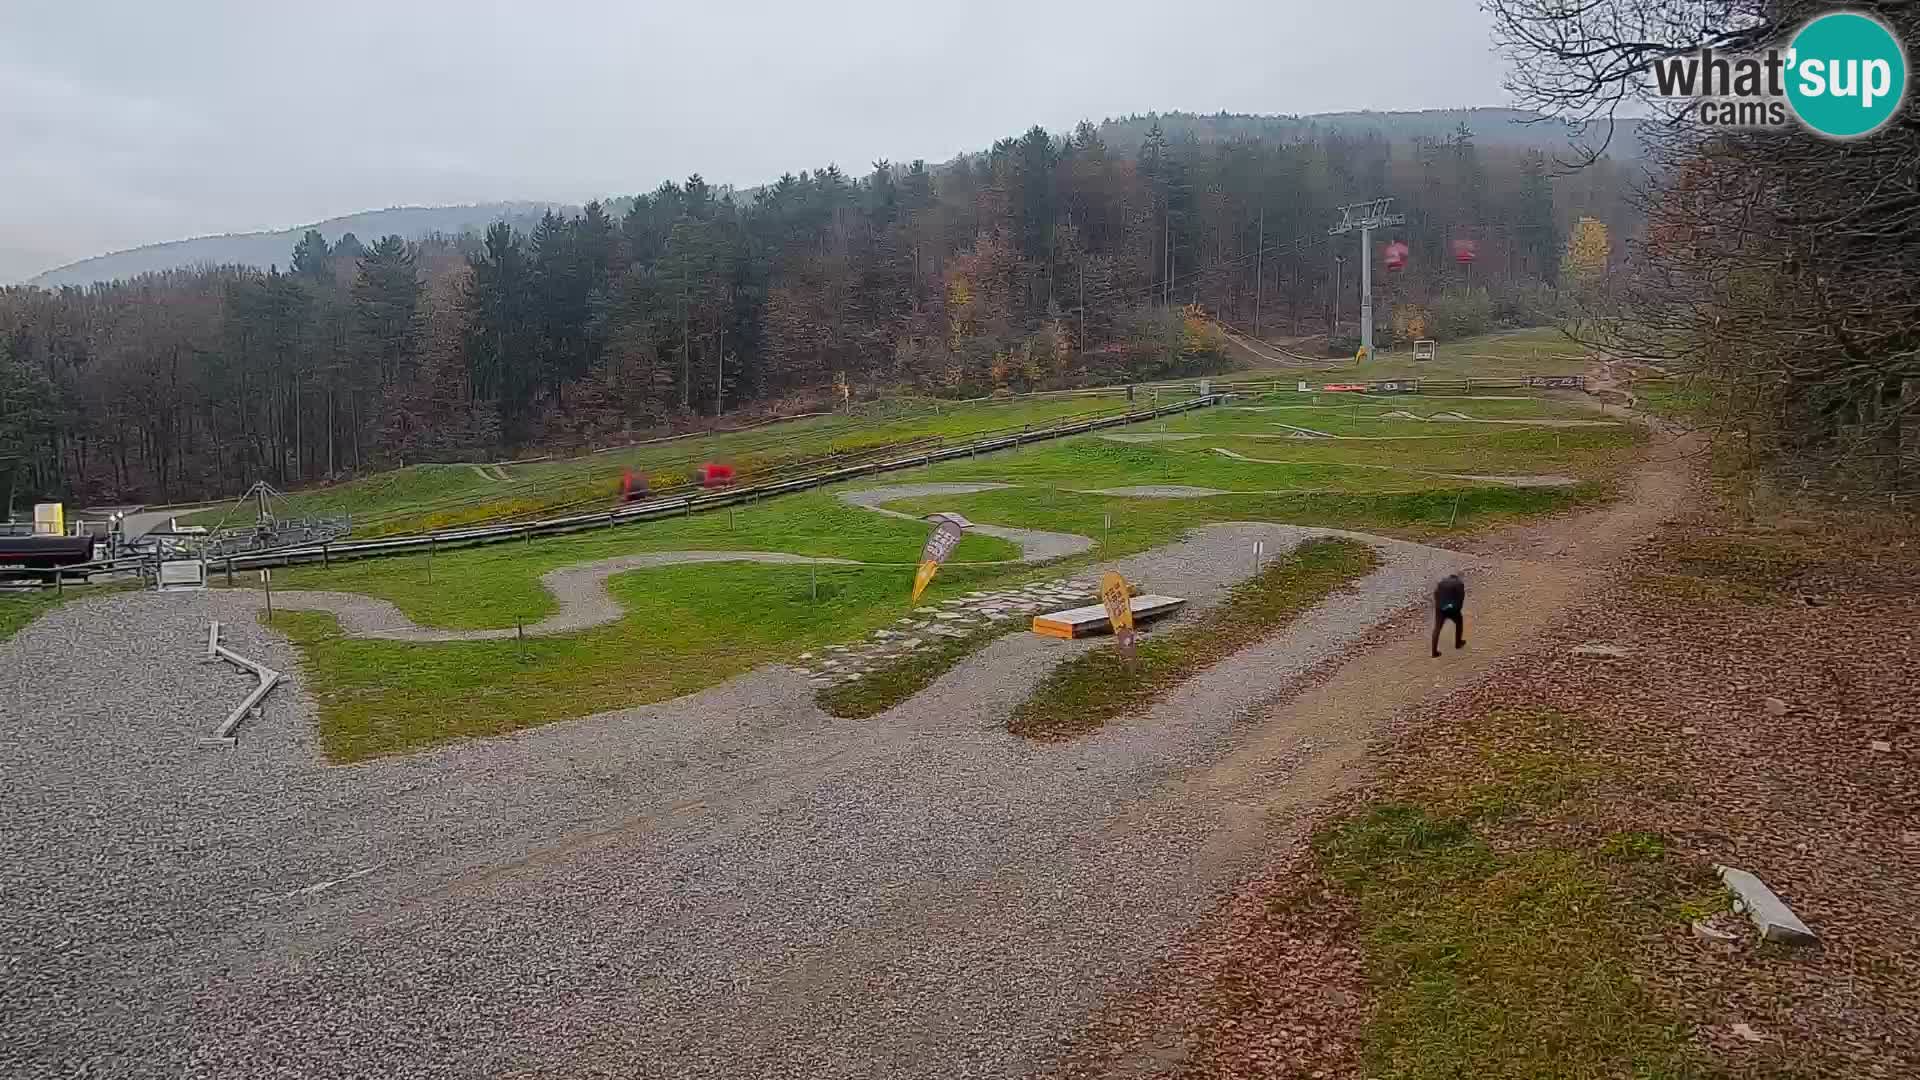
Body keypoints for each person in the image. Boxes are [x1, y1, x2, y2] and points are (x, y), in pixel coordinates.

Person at [1432, 573, 1466, 657]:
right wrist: (1457, 609)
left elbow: (1435, 594)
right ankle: (1458, 643)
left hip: (1440, 609)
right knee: (1459, 624)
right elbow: (1461, 597)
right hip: (1453, 609)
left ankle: (1434, 652)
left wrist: (1438, 606)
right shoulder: (1459, 583)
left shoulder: (1441, 582)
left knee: (1437, 629)